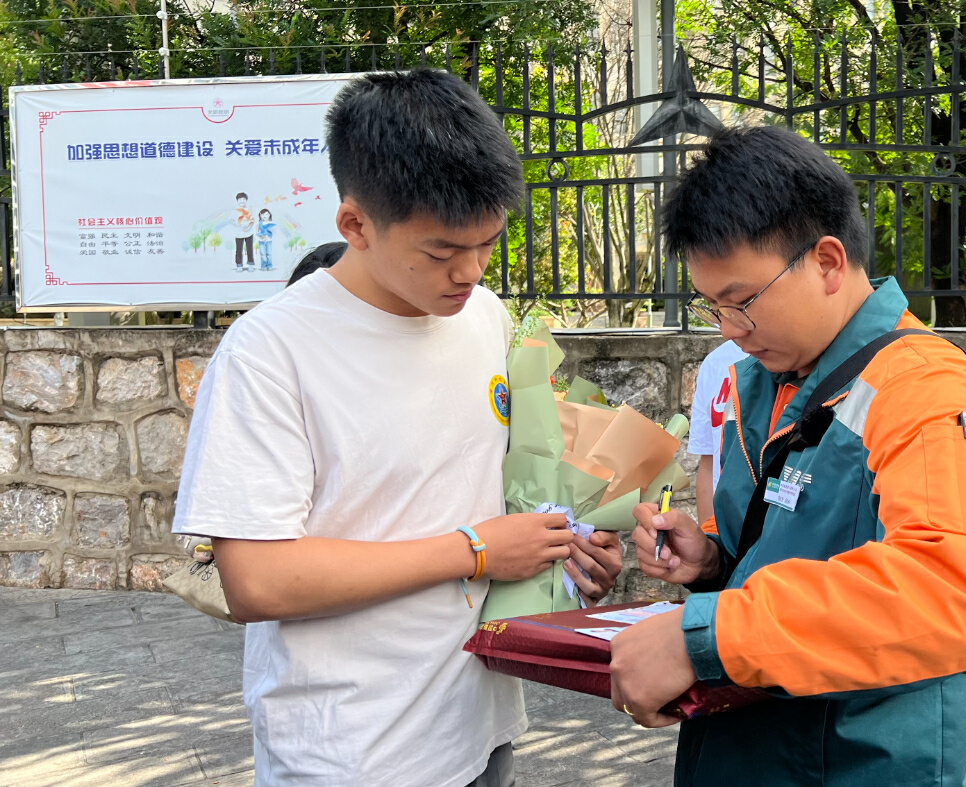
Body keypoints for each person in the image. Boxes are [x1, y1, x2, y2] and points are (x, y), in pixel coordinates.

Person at [172, 68, 624, 787]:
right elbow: (257, 579)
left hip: (479, 726)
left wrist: (566, 548)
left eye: (488, 243)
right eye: (441, 252)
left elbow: (493, 485)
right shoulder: (270, 351)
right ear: (355, 225)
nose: (470, 271)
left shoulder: (485, 317)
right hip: (350, 751)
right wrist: (476, 550)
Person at [609, 125, 966, 786]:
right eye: (713, 307)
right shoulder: (765, 382)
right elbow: (790, 550)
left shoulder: (921, 388)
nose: (730, 331)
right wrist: (714, 562)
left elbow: (953, 592)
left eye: (742, 302)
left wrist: (709, 636)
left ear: (828, 262)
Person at [687, 339, 748, 522]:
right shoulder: (716, 362)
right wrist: (707, 535)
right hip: (725, 525)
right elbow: (708, 463)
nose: (727, 330)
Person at [232, 192, 255, 271]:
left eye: (244, 199)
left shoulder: (249, 209)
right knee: (239, 249)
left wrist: (248, 227)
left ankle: (250, 264)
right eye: (240, 199)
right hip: (239, 233)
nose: (242, 201)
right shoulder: (235, 211)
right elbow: (232, 220)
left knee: (249, 249)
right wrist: (239, 224)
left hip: (249, 232)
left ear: (246, 200)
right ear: (237, 200)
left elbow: (252, 220)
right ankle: (239, 265)